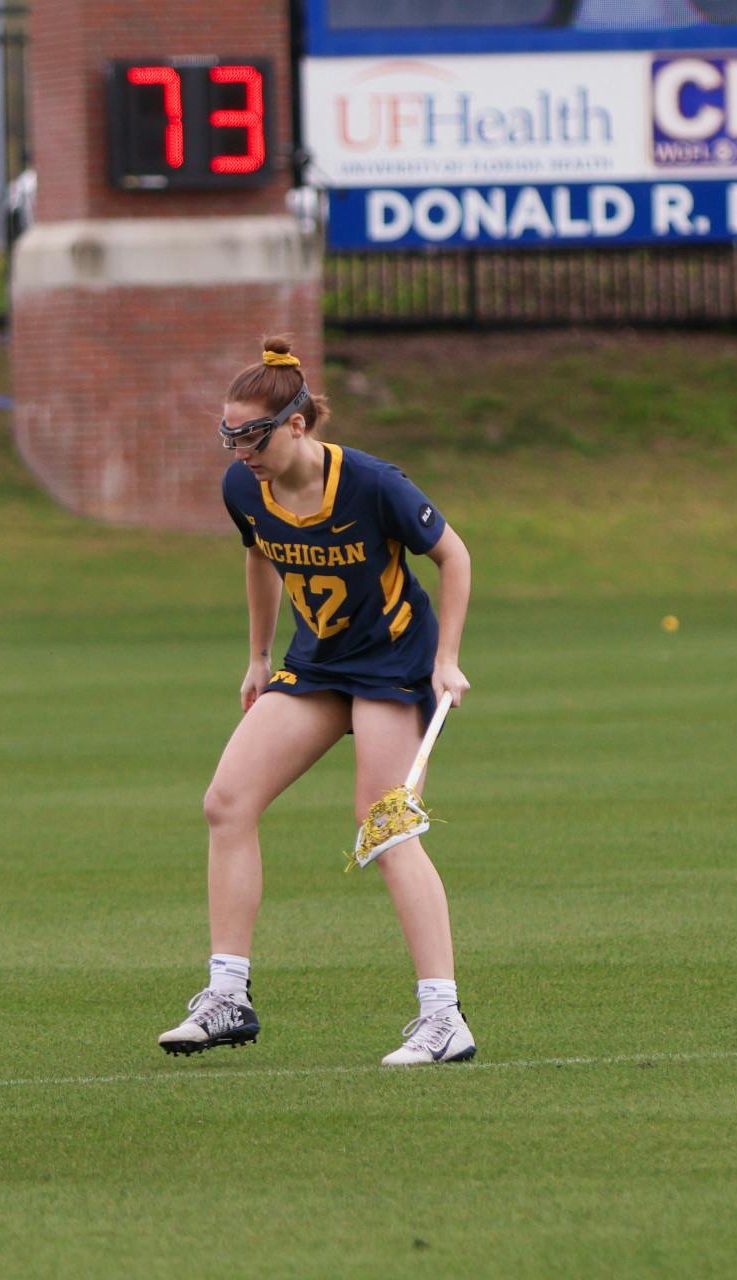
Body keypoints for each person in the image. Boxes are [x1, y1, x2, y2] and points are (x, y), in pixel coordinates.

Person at [156, 337, 476, 1068]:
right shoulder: (245, 487)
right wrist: (260, 655)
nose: (241, 452)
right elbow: (260, 555)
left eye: (253, 435)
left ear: (299, 424)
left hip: (394, 666)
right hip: (319, 661)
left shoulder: (372, 483)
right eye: (229, 436)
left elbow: (453, 556)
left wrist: (446, 660)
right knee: (226, 800)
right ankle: (228, 995)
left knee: (385, 824)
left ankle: (443, 1015)